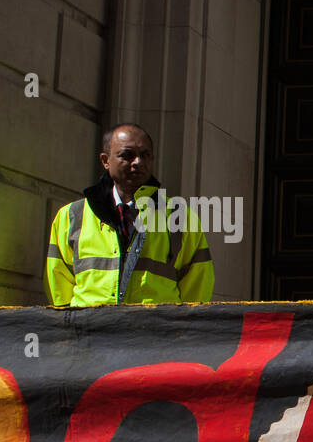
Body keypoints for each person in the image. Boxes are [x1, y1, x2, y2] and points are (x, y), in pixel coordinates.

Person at [45, 124, 214, 306]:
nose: (137, 162)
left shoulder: (181, 218)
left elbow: (197, 289)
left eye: (145, 155)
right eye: (127, 155)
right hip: (90, 331)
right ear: (105, 160)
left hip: (155, 332)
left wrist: (177, 329)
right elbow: (58, 283)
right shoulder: (71, 216)